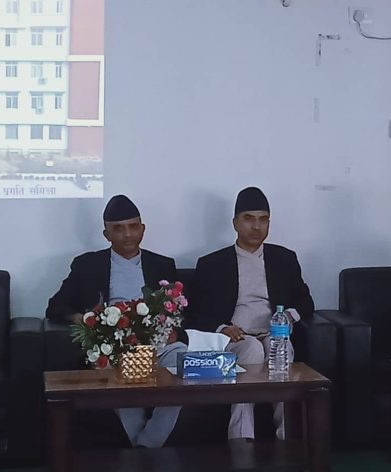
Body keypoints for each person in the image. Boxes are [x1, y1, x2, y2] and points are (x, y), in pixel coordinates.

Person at [46, 194, 183, 448]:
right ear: (106, 234)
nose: (128, 235)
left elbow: (179, 309)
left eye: (133, 227)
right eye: (118, 229)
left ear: (143, 229)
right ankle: (145, 448)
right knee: (113, 370)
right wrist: (83, 318)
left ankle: (148, 442)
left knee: (183, 361)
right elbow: (55, 307)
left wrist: (173, 329)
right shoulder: (88, 265)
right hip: (114, 345)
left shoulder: (162, 264)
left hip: (158, 344)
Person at [182, 186, 315, 440]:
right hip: (236, 338)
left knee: (281, 346)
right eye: (249, 219)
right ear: (235, 223)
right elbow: (196, 312)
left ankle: (287, 435)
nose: (256, 227)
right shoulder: (212, 263)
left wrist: (288, 317)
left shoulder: (284, 258)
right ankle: (242, 438)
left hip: (274, 334)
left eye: (263, 220)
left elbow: (305, 300)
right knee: (252, 349)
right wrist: (222, 328)